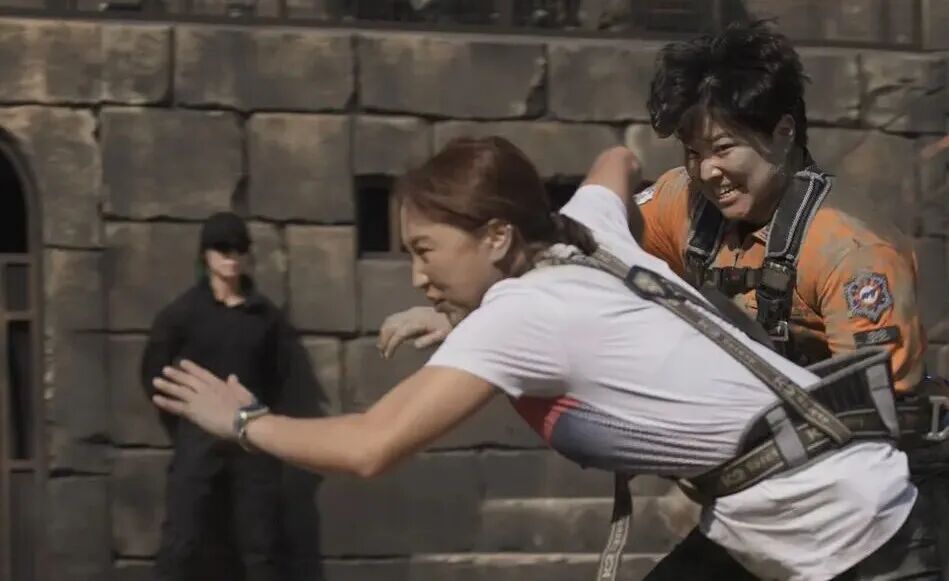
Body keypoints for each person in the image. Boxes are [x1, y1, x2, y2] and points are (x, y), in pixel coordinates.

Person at [150, 137, 941, 580]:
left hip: (849, 533)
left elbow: (368, 444)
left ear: (497, 237)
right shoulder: (583, 228)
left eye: (425, 249)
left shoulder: (521, 313)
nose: (417, 274)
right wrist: (460, 308)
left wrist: (245, 420)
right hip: (807, 504)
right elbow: (615, 156)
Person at [141, 211, 288, 581]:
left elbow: (277, 374)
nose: (231, 257)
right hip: (198, 435)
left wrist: (257, 416)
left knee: (261, 543)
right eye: (222, 248)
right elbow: (154, 374)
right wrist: (185, 421)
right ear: (205, 255)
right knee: (182, 538)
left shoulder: (264, 316)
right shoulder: (182, 314)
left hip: (250, 436)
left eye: (239, 248)